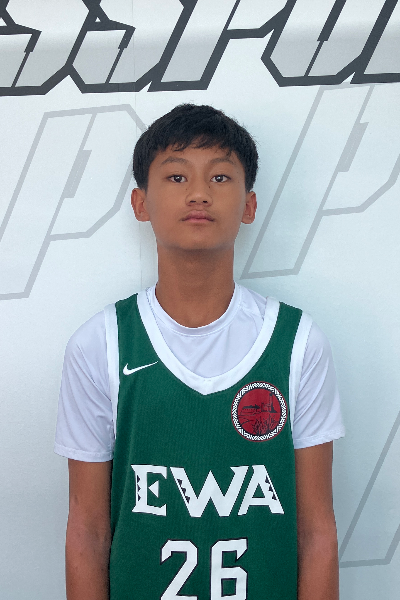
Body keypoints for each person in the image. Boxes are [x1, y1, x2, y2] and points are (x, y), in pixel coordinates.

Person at [55, 104, 345, 600]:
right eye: (176, 176)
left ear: (249, 205)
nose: (198, 193)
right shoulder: (100, 343)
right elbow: (87, 531)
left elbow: (316, 532)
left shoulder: (297, 341)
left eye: (220, 176)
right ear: (140, 203)